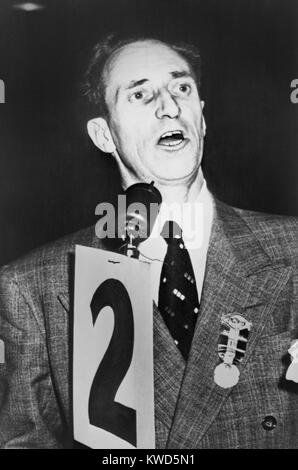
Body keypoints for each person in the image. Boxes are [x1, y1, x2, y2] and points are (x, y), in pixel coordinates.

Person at [0, 34, 298, 449]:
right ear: (104, 135)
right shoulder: (33, 286)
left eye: (182, 88)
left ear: (202, 116)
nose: (170, 106)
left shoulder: (293, 250)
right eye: (140, 94)